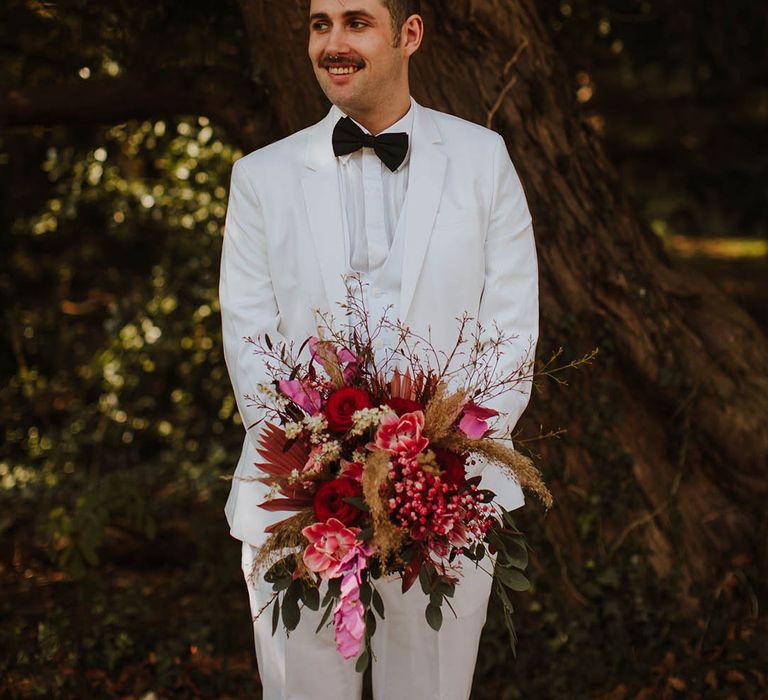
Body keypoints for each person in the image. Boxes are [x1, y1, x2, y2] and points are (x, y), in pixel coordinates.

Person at [218, 0, 539, 697]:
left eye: (355, 22)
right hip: (297, 504)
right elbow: (251, 344)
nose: (333, 43)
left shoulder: (483, 161)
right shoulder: (260, 179)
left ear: (409, 35)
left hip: (448, 502)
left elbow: (511, 334)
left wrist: (437, 466)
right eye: (319, 23)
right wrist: (325, 464)